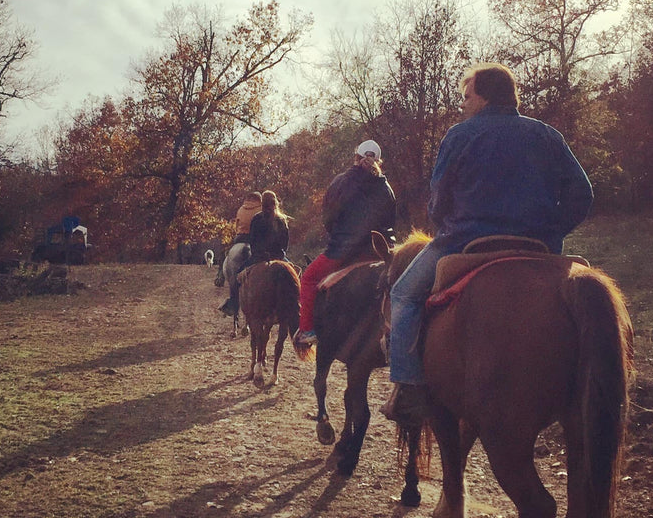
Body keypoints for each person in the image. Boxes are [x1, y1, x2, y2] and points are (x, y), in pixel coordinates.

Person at [384, 62, 594, 418]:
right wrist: (551, 230)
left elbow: (439, 197)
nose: (463, 104)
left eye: (467, 97)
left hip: (465, 242)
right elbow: (582, 194)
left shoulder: (460, 135)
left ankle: (408, 388)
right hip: (537, 246)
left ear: (483, 98)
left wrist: (446, 223)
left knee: (403, 294)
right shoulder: (547, 135)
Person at [294, 139, 397, 349]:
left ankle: (307, 330)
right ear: (379, 161)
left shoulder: (341, 182)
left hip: (344, 250)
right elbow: (391, 220)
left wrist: (338, 237)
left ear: (356, 157)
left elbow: (328, 217)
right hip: (378, 250)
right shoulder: (386, 188)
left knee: (309, 278)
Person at [218, 191, 262, 317]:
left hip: (240, 238)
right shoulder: (261, 209)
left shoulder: (241, 209)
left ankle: (221, 280)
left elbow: (236, 227)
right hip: (255, 240)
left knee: (227, 255)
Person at [247, 190, 290, 263]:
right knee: (294, 269)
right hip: (278, 257)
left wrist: (260, 253)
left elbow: (252, 241)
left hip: (259, 257)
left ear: (262, 203)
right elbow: (285, 245)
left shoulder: (257, 218)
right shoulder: (281, 221)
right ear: (275, 204)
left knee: (241, 269)